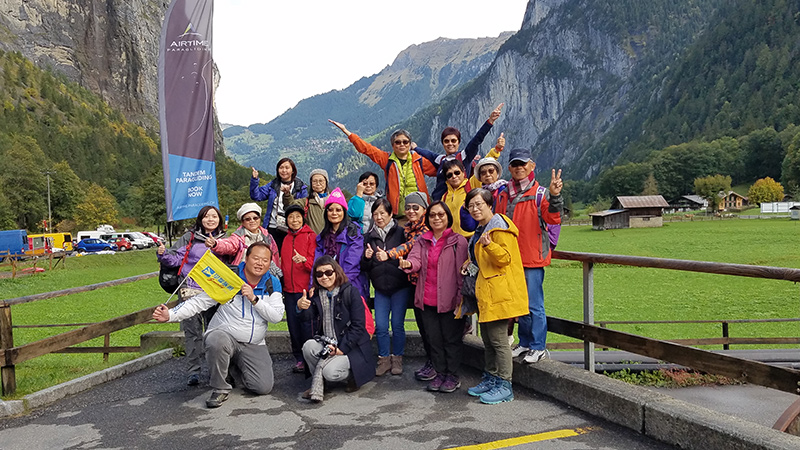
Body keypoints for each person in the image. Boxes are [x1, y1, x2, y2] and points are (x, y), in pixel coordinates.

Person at [153, 242, 285, 408]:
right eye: (256, 258)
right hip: (225, 335)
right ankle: (220, 388)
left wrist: (254, 299)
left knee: (262, 387)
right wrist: (170, 315)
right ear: (246, 258)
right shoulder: (230, 278)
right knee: (216, 340)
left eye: (265, 260)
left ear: (270, 263)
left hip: (254, 342)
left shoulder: (272, 282)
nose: (260, 263)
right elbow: (199, 302)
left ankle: (233, 367)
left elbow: (276, 317)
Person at [495, 148, 563, 364]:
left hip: (532, 259)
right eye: (515, 164)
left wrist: (555, 196)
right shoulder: (503, 194)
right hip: (509, 259)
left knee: (534, 305)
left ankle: (538, 346)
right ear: (509, 168)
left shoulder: (541, 193)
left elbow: (554, 218)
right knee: (519, 305)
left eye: (523, 164)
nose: (519, 168)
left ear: (531, 166)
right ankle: (524, 342)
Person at [463, 189, 528, 404]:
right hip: (486, 291)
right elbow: (480, 260)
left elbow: (506, 258)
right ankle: (491, 378)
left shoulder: (499, 228)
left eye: (479, 204)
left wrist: (489, 245)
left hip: (499, 291)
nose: (475, 209)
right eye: (471, 205)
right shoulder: (481, 229)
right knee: (488, 339)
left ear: (489, 205)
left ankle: (505, 385)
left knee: (499, 341)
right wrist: (469, 263)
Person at [399, 202, 468, 393]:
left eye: (440, 215)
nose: (436, 218)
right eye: (432, 215)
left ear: (448, 217)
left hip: (450, 300)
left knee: (451, 340)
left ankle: (452, 375)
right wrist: (408, 264)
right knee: (434, 340)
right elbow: (415, 259)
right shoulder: (423, 240)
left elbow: (462, 274)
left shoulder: (458, 242)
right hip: (427, 300)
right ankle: (440, 373)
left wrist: (460, 299)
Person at [157, 205, 226, 386]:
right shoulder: (190, 238)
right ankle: (193, 371)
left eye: (214, 216)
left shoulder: (225, 240)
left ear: (219, 219)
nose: (210, 219)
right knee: (192, 332)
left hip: (214, 291)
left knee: (214, 332)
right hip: (190, 289)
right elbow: (175, 259)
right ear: (200, 219)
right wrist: (163, 254)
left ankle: (215, 370)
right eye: (206, 216)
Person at [297, 256, 375, 402]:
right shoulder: (317, 294)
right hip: (328, 342)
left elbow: (358, 326)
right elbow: (307, 317)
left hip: (351, 346)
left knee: (330, 372)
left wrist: (341, 349)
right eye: (319, 274)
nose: (324, 277)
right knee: (308, 346)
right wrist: (301, 307)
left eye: (328, 272)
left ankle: (353, 376)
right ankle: (320, 383)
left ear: (336, 272)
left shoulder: (351, 292)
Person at [329, 119, 436, 219]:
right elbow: (367, 149)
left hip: (421, 214)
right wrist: (346, 131)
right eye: (398, 142)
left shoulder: (419, 161)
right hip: (398, 215)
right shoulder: (387, 160)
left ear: (409, 144)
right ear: (393, 145)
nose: (402, 144)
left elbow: (440, 172)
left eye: (405, 142)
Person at [362, 198, 412, 376]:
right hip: (381, 288)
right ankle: (383, 360)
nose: (379, 217)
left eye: (382, 213)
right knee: (381, 326)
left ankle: (397, 358)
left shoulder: (402, 233)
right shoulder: (369, 237)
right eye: (375, 214)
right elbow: (364, 267)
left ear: (391, 214)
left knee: (397, 324)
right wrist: (367, 257)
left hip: (400, 286)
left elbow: (410, 254)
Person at [414, 103, 503, 201]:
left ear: (458, 142)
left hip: (461, 200)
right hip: (440, 203)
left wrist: (490, 121)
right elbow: (428, 154)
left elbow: (476, 140)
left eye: (453, 141)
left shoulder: (464, 156)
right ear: (443, 143)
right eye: (446, 141)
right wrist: (415, 148)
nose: (450, 144)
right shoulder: (441, 159)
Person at [280, 204, 317, 373]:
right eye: (290, 217)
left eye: (297, 216)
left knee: (307, 325)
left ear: (303, 218)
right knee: (293, 326)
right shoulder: (286, 238)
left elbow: (316, 264)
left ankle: (311, 358)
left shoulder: (311, 236)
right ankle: (299, 358)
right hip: (289, 290)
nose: (294, 220)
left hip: (305, 290)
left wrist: (304, 261)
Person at [314, 187, 367, 299]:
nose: (334, 213)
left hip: (350, 286)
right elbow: (317, 264)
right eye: (330, 210)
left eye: (338, 210)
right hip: (327, 287)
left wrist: (339, 285)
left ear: (344, 212)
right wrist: (313, 285)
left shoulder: (353, 233)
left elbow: (352, 263)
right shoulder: (322, 237)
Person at [206, 203, 282, 278]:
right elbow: (229, 245)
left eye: (255, 218)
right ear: (242, 222)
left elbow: (274, 257)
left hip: (265, 276)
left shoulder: (268, 237)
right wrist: (216, 243)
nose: (252, 221)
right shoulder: (238, 237)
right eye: (248, 219)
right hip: (242, 277)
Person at [250, 158, 308, 249]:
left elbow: (303, 207)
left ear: (293, 170)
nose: (284, 170)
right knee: (272, 253)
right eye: (281, 168)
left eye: (287, 168)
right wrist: (255, 180)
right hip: (273, 226)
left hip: (293, 227)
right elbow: (256, 196)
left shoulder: (300, 187)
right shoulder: (273, 185)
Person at [285, 169, 328, 234]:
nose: (318, 183)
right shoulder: (306, 202)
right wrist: (287, 194)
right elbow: (291, 205)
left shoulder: (333, 202)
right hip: (311, 239)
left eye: (321, 181)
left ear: (326, 182)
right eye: (314, 181)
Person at [440, 159, 473, 238]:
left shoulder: (471, 186)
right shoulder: (444, 197)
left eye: (457, 172)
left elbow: (483, 169)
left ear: (463, 172)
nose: (454, 176)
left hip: (471, 237)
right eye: (449, 175)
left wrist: (495, 152)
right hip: (452, 239)